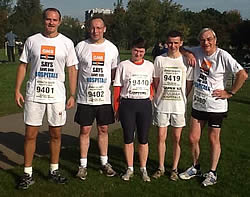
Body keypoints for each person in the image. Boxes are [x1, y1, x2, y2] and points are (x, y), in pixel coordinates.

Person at [15, 8, 78, 189]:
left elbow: (72, 69)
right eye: (48, 19)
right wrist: (17, 90)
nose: (51, 22)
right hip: (34, 94)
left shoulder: (66, 43)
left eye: (55, 20)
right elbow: (23, 66)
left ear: (60, 22)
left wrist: (72, 94)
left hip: (56, 96)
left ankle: (53, 170)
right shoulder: (32, 41)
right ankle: (27, 173)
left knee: (55, 134)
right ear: (43, 20)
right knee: (30, 134)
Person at [179, 28, 248, 187]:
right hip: (198, 104)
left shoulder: (223, 55)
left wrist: (230, 92)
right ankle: (195, 167)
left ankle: (212, 172)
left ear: (215, 40)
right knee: (193, 138)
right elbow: (180, 48)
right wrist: (188, 54)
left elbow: (242, 74)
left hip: (216, 106)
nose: (206, 43)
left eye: (209, 39)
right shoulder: (197, 50)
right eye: (203, 40)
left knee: (213, 139)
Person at [74, 16, 119, 180]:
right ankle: (83, 165)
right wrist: (72, 93)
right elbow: (74, 71)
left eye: (99, 28)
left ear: (104, 29)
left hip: (104, 98)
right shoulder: (81, 47)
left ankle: (104, 162)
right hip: (85, 98)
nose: (95, 31)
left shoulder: (112, 48)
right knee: (84, 130)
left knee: (103, 129)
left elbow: (115, 74)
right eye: (93, 28)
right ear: (88, 28)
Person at [152, 30, 193, 181]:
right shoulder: (160, 60)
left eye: (176, 43)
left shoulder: (186, 61)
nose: (173, 46)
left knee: (176, 138)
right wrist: (160, 95)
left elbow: (189, 84)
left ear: (181, 43)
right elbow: (156, 81)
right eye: (170, 42)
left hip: (178, 106)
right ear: (166, 42)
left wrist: (182, 98)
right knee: (161, 137)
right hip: (162, 105)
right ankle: (161, 167)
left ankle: (174, 168)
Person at [113, 37, 154, 182]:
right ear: (131, 50)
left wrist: (151, 93)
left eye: (141, 51)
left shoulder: (150, 65)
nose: (138, 53)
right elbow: (117, 87)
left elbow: (153, 83)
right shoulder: (123, 65)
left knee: (143, 138)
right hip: (127, 105)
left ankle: (143, 168)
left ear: (145, 51)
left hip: (144, 105)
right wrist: (116, 108)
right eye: (136, 50)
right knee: (128, 137)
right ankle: (129, 168)